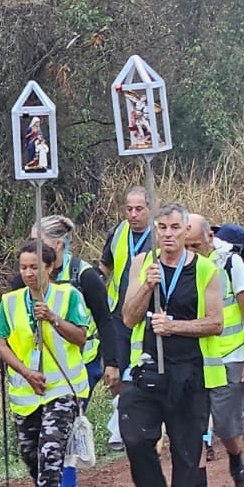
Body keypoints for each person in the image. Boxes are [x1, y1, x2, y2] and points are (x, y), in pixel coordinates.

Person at [119, 202, 226, 487]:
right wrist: (146, 287)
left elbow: (216, 323)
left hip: (189, 370)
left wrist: (174, 326)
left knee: (185, 446)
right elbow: (128, 318)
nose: (168, 234)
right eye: (162, 227)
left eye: (174, 228)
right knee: (135, 437)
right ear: (155, 230)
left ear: (185, 231)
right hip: (148, 367)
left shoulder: (206, 269)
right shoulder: (142, 264)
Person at [0, 239, 92, 487]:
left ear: (50, 267)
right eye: (23, 267)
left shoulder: (68, 296)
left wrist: (53, 319)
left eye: (35, 267)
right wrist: (25, 372)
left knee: (51, 451)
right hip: (26, 393)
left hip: (62, 388)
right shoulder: (10, 302)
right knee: (30, 452)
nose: (28, 273)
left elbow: (80, 337)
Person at [27, 215, 112, 487]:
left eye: (41, 244)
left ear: (59, 245)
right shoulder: (27, 278)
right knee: (42, 431)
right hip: (41, 367)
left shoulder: (86, 277)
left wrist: (113, 363)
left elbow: (105, 320)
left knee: (65, 425)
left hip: (81, 365)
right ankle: (56, 486)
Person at [181, 216, 244, 487]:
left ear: (210, 237)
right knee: (193, 424)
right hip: (192, 358)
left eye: (196, 244)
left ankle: (236, 459)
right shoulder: (179, 267)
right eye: (186, 245)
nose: (192, 250)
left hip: (229, 356)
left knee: (226, 426)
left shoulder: (230, 264)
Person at [99, 186, 153, 448]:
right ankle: (119, 423)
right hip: (117, 314)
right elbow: (105, 265)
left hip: (148, 315)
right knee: (116, 370)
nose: (133, 215)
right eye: (129, 209)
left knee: (144, 369)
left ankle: (143, 421)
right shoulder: (118, 232)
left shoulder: (160, 234)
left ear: (150, 209)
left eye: (139, 209)